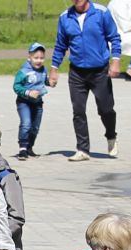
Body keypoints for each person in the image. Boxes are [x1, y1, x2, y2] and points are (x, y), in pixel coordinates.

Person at [49, 0, 121, 162]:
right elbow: (60, 45)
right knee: (78, 110)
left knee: (106, 109)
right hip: (77, 72)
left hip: (99, 71)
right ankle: (83, 149)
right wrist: (54, 69)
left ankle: (111, 135)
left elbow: (114, 38)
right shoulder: (65, 17)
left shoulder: (101, 13)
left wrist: (115, 61)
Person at [13, 42, 51, 159]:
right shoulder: (24, 71)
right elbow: (16, 86)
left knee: (35, 127)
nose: (39, 61)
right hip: (24, 102)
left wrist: (50, 82)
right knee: (26, 124)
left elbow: (43, 81)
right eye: (36, 58)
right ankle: (22, 148)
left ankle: (30, 147)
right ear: (29, 57)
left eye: (41, 58)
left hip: (38, 103)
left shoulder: (43, 70)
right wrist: (28, 92)